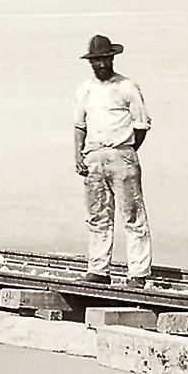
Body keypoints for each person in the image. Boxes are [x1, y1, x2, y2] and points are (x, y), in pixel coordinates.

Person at [73, 33, 152, 282]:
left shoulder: (127, 87)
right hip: (94, 156)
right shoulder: (85, 90)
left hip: (121, 153)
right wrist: (79, 154)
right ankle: (98, 270)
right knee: (97, 216)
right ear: (91, 62)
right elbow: (79, 125)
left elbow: (141, 125)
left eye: (105, 59)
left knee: (132, 214)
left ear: (112, 58)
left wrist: (126, 151)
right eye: (96, 60)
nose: (101, 65)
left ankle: (138, 273)